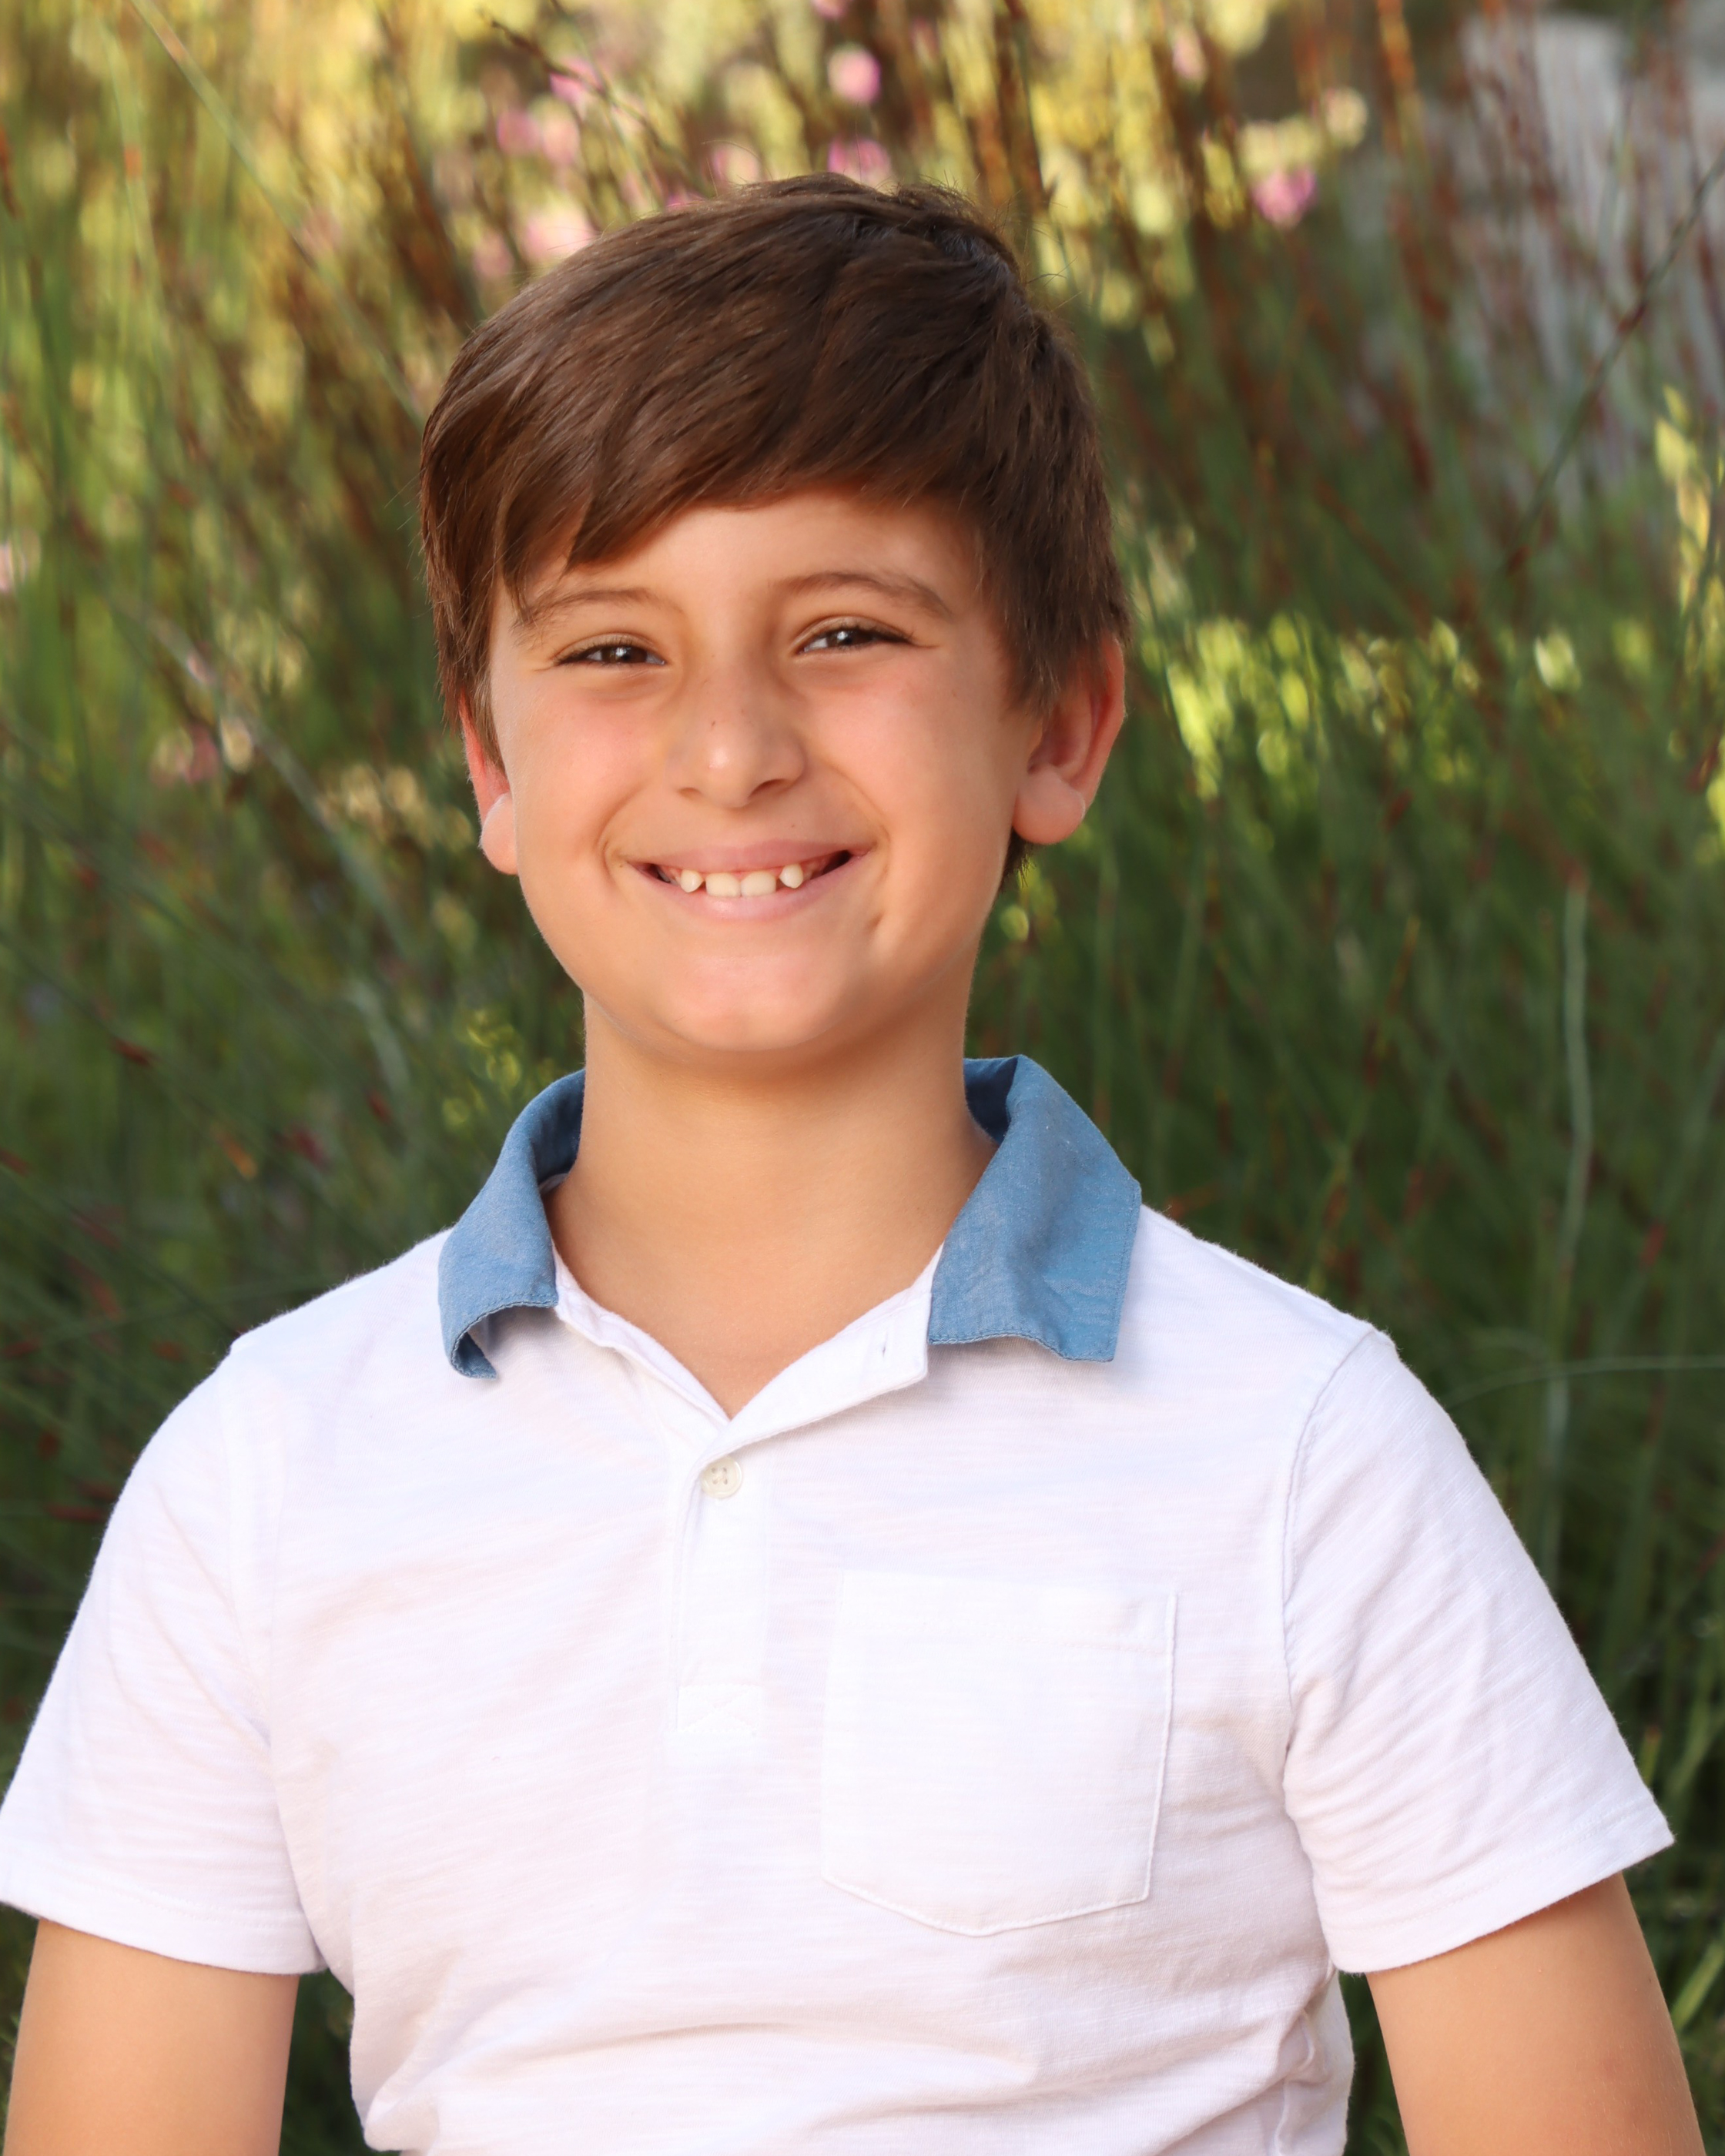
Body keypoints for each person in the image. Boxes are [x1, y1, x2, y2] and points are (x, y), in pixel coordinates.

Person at [0, 176, 1700, 2156]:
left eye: (842, 631)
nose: (730, 747)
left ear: (1060, 725)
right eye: (613, 647)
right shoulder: (270, 1467)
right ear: (488, 762)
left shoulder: (1303, 1445)